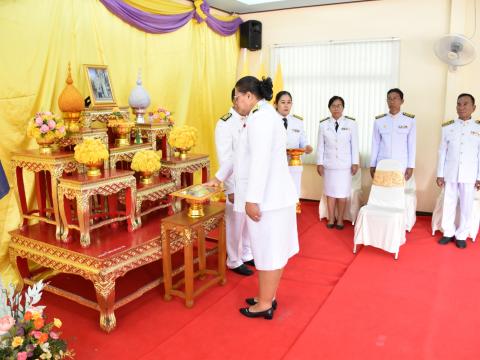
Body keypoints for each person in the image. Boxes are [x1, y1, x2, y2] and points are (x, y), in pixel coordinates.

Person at [211, 76, 299, 320]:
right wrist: (218, 178)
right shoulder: (261, 116)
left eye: (238, 96)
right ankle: (267, 297)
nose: (236, 101)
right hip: (274, 197)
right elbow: (239, 154)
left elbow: (259, 162)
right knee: (273, 250)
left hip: (268, 199)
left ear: (249, 96)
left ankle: (264, 303)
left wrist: (252, 199)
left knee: (269, 251)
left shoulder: (260, 119)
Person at [214, 89, 254, 276]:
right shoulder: (225, 123)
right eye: (247, 98)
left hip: (250, 180)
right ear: (236, 99)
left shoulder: (251, 119)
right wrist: (229, 187)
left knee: (247, 220)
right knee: (235, 223)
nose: (250, 103)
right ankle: (233, 259)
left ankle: (246, 253)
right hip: (235, 182)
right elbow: (226, 158)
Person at [436, 93, 480, 249]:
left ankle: (462, 234)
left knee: (467, 205)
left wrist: (479, 176)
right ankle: (448, 232)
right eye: (459, 104)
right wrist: (439, 174)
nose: (461, 107)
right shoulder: (448, 127)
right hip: (450, 171)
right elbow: (442, 152)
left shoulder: (478, 128)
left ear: (473, 107)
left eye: (465, 104)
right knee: (449, 202)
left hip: (469, 173)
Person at [316, 96, 359, 229]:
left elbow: (355, 145)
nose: (336, 108)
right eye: (333, 106)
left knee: (342, 194)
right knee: (330, 193)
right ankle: (330, 218)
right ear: (329, 108)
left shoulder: (351, 124)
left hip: (344, 166)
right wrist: (319, 163)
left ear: (343, 107)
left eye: (339, 105)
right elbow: (320, 146)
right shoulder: (323, 124)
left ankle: (340, 219)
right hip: (329, 165)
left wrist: (355, 162)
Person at [274, 91, 313, 213]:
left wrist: (307, 148)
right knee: (277, 192)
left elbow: (303, 142)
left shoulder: (298, 122)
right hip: (275, 165)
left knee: (293, 192)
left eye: (289, 102)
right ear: (276, 104)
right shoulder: (271, 120)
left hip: (293, 165)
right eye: (283, 102)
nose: (286, 105)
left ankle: (291, 215)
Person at [370, 88, 416, 181]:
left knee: (397, 193)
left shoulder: (410, 120)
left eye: (395, 98)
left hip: (401, 164)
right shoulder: (379, 120)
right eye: (389, 99)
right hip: (382, 163)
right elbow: (375, 144)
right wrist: (372, 164)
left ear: (402, 101)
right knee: (382, 191)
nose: (392, 101)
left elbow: (411, 145)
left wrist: (411, 166)